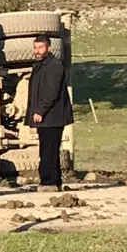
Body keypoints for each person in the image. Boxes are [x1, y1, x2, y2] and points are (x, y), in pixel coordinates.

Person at [26, 35, 73, 192]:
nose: (37, 51)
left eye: (40, 47)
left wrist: (40, 110)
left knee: (49, 150)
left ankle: (49, 182)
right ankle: (53, 181)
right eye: (35, 47)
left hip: (52, 116)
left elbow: (51, 91)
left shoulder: (54, 66)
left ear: (48, 48)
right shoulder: (41, 66)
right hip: (47, 117)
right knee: (47, 148)